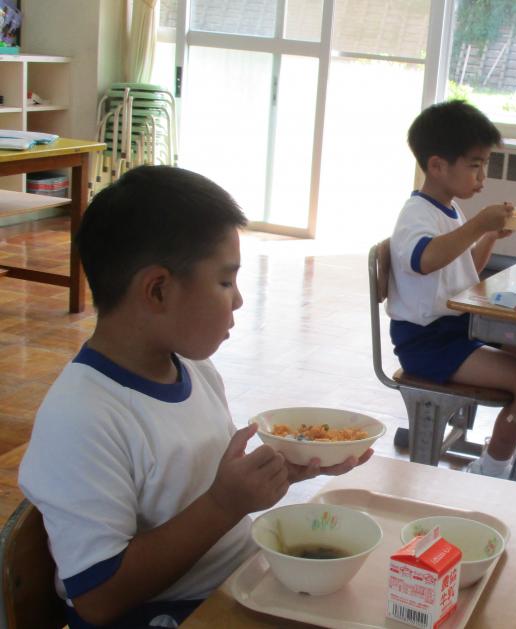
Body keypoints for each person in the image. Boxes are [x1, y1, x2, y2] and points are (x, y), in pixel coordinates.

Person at [18, 166, 371, 628]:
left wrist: (282, 469)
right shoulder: (82, 417)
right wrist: (225, 504)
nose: (238, 300)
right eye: (225, 282)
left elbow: (199, 484)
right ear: (158, 289)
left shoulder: (194, 370)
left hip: (235, 585)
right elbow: (97, 598)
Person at [387, 100, 516, 479]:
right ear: (437, 166)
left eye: (485, 165)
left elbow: (465, 271)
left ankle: (504, 450)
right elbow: (424, 259)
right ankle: (492, 468)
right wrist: (479, 224)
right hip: (427, 343)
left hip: (457, 329)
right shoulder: (417, 213)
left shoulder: (449, 210)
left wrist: (489, 236)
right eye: (475, 165)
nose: (483, 176)